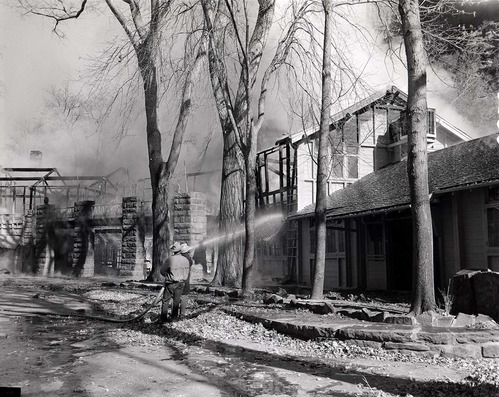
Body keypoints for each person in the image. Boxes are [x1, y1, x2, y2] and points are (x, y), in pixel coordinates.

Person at [159, 241, 190, 322]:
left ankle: (163, 318)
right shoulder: (186, 260)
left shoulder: (170, 259)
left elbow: (162, 271)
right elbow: (186, 272)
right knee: (176, 301)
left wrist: (168, 275)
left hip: (170, 283)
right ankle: (174, 318)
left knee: (165, 300)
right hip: (181, 283)